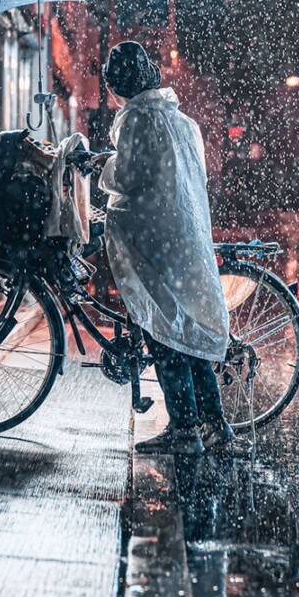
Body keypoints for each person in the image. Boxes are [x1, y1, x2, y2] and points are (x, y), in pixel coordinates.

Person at [98, 40, 240, 455]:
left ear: (117, 85)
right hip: (185, 238)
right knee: (189, 329)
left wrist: (101, 166)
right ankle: (214, 424)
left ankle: (184, 430)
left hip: (155, 241)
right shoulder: (180, 120)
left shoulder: (137, 118)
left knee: (164, 333)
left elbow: (128, 177)